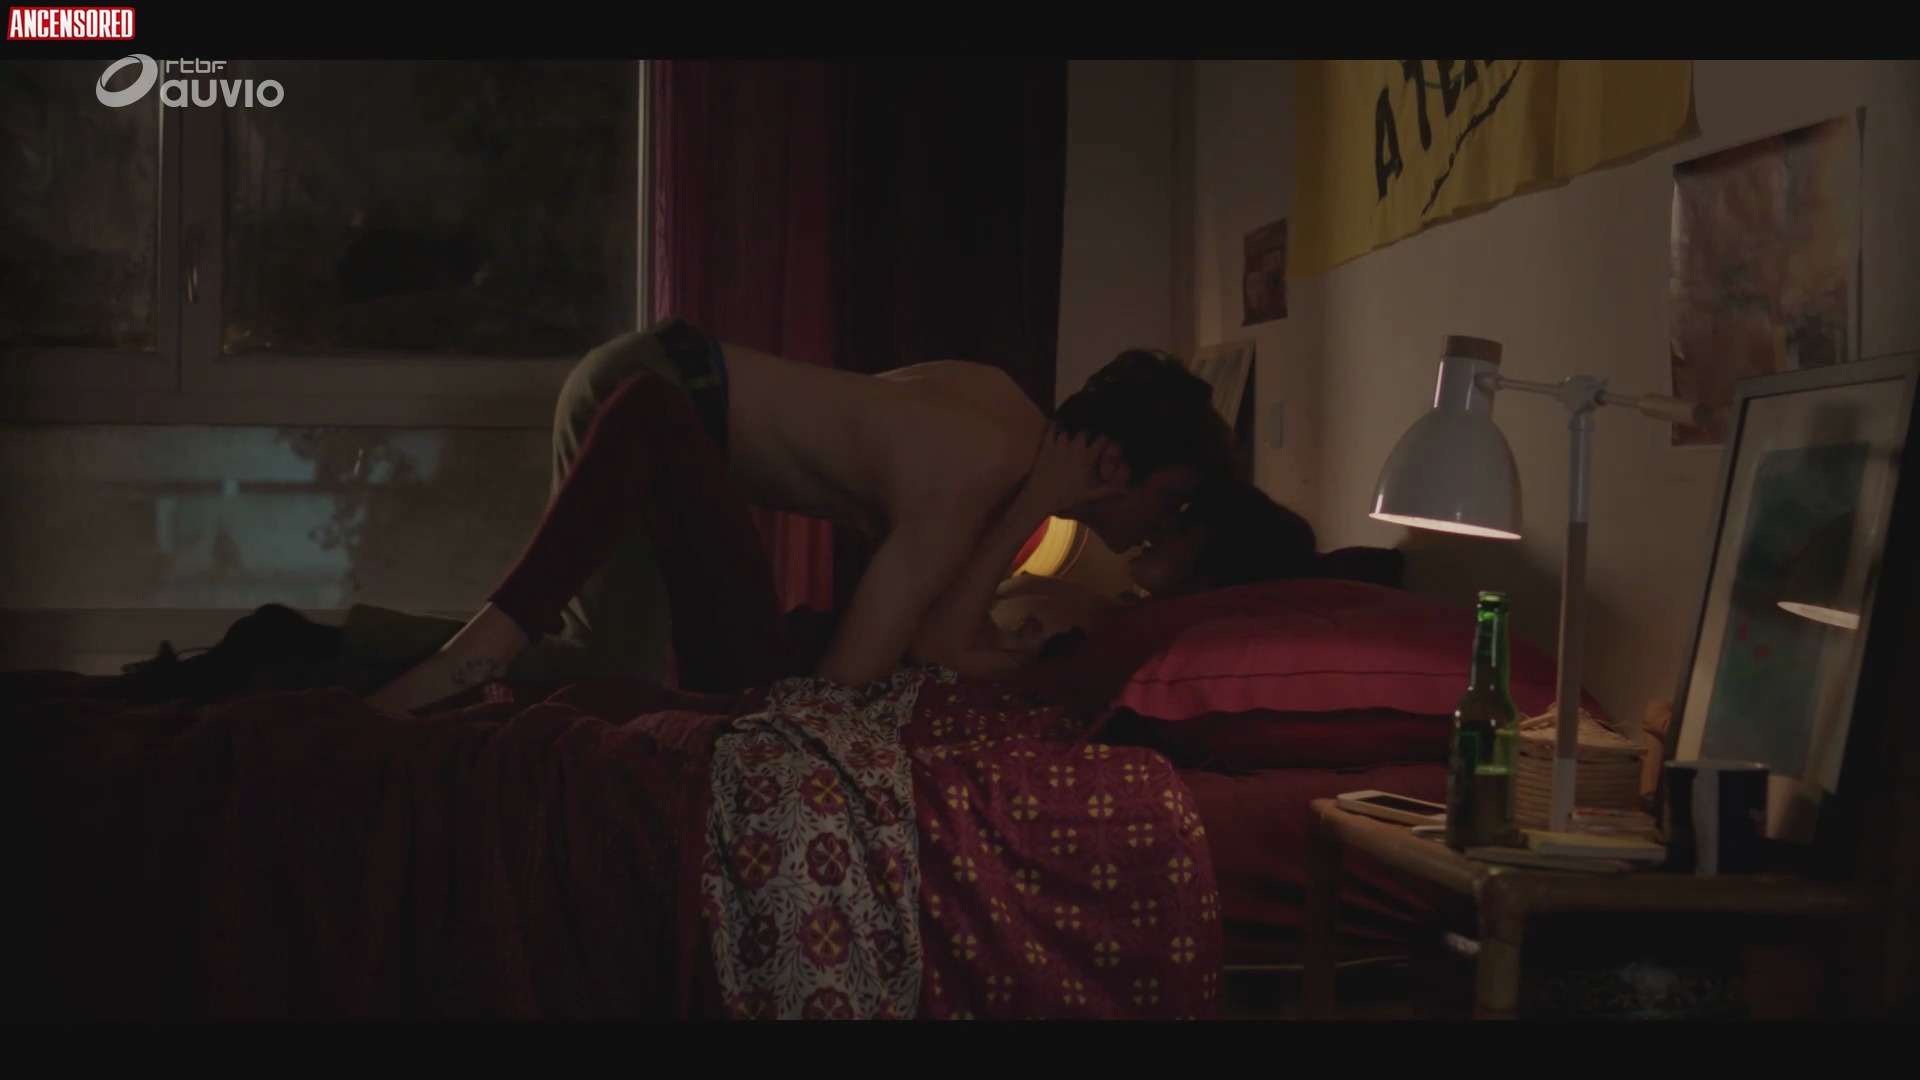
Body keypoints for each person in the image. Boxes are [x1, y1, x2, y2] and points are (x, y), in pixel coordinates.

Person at [365, 317, 1239, 713]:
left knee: (600, 655)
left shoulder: (1003, 411)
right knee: (610, 668)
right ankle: (393, 665)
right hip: (662, 404)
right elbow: (848, 680)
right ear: (1114, 464)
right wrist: (1032, 518)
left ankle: (354, 652)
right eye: (1167, 499)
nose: (1159, 526)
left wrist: (1005, 643)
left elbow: (942, 638)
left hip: (655, 374)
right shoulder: (986, 472)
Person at [972, 477, 1320, 665]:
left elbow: (951, 662)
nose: (1158, 529)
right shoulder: (1111, 613)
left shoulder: (1120, 646)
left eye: (1181, 529)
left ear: (1215, 571)